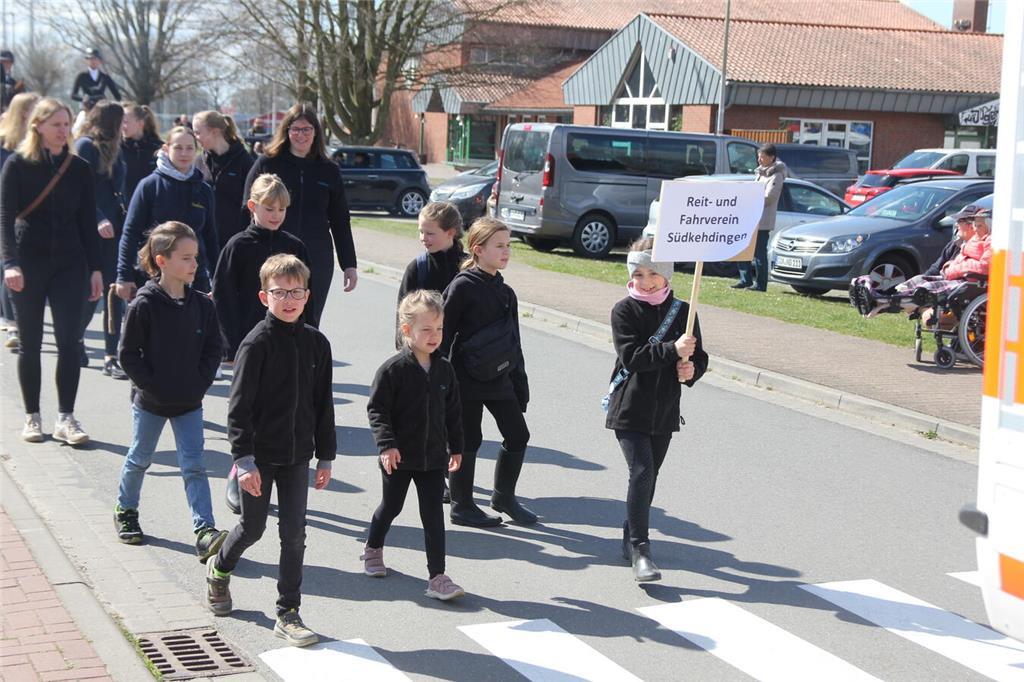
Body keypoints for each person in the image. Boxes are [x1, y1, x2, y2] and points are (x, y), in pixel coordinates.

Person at [205, 254, 334, 648]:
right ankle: (219, 569)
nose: (289, 300)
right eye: (280, 292)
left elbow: (323, 404)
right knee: (252, 528)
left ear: (307, 295)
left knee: (294, 535)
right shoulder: (256, 344)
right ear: (265, 297)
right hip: (259, 458)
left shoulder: (317, 344)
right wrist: (243, 460)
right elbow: (238, 408)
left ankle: (288, 611)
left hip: (297, 456)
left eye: (296, 292)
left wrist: (325, 456)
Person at [114, 221, 228, 561]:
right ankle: (125, 510)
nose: (195, 264)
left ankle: (204, 531)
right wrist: (152, 386)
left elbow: (214, 349)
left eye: (196, 257)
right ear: (162, 261)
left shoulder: (203, 305)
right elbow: (128, 355)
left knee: (194, 466)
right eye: (186, 258)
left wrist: (199, 382)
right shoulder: (144, 304)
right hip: (151, 402)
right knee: (139, 458)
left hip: (189, 402)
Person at [0, 97, 103, 445]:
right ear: (38, 126)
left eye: (66, 124)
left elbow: (87, 222)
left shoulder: (79, 168)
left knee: (69, 343)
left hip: (70, 265)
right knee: (29, 344)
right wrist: (9, 263)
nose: (63, 130)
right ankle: (32, 417)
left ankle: (66, 418)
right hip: (28, 262)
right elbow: (4, 219)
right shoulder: (17, 165)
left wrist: (96, 269)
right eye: (56, 124)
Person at [606, 238, 707, 581]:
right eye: (638, 274)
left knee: (650, 477)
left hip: (664, 409)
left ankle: (630, 531)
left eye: (653, 273)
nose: (646, 281)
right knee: (642, 471)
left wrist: (691, 370)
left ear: (667, 274)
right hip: (630, 407)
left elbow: (699, 356)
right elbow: (632, 357)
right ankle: (641, 549)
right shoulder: (623, 310)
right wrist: (672, 350)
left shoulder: (684, 311)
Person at [213, 174, 312, 515]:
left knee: (279, 407)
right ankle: (239, 468)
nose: (275, 215)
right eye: (269, 208)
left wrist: (308, 337)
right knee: (247, 408)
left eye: (282, 209)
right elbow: (223, 297)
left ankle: (275, 474)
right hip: (249, 343)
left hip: (288, 342)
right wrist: (229, 346)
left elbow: (307, 297)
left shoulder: (295, 247)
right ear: (253, 207)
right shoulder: (237, 246)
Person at [363, 289, 466, 601]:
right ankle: (373, 547)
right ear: (407, 330)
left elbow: (453, 412)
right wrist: (386, 445)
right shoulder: (393, 370)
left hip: (433, 457)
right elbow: (377, 410)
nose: (435, 336)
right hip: (398, 457)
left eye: (439, 329)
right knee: (391, 506)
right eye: (427, 329)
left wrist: (456, 447)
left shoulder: (445, 369)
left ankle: (437, 577)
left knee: (433, 515)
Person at [439, 217, 533, 527]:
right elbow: (442, 335)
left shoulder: (506, 292)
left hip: (499, 378)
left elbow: (513, 341)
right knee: (467, 440)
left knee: (518, 434)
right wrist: (438, 380)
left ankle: (504, 497)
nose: (506, 252)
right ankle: (461, 505)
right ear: (478, 250)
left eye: (508, 246)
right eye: (499, 246)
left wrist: (519, 382)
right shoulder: (462, 287)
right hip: (464, 379)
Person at [243, 103, 357, 326]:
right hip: (272, 253)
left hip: (316, 257)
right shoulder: (268, 163)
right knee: (272, 319)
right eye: (295, 129)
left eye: (307, 129)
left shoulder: (329, 170)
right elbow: (247, 209)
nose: (301, 135)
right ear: (286, 131)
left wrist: (349, 264)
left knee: (309, 321)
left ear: (316, 132)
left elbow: (340, 221)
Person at [115, 126, 218, 300]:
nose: (184, 153)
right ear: (166, 148)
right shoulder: (149, 185)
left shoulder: (204, 190)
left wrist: (217, 279)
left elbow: (211, 237)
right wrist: (123, 276)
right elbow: (130, 232)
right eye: (178, 147)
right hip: (154, 275)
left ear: (196, 151)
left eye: (189, 148)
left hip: (195, 276)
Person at [851, 207, 993, 319]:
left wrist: (953, 268)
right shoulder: (960, 244)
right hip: (952, 277)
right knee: (918, 280)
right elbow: (938, 267)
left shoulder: (989, 242)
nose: (956, 225)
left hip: (968, 282)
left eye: (960, 221)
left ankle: (883, 302)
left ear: (970, 225)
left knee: (925, 289)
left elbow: (983, 266)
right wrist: (945, 270)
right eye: (975, 225)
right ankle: (882, 295)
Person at [74, 100, 128, 378]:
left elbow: (119, 191)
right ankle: (75, 338)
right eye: (122, 120)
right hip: (90, 230)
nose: (125, 126)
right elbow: (78, 190)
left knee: (113, 292)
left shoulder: (118, 148)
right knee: (90, 292)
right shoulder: (85, 146)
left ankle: (111, 354)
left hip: (115, 230)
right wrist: (97, 218)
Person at [0, 91, 40, 351]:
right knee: (8, 263)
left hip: (29, 215)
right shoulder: (4, 144)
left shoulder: (38, 143)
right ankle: (13, 322)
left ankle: (18, 319)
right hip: (5, 210)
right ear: (23, 112)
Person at [395, 201, 465, 348]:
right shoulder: (417, 268)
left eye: (430, 233)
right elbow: (403, 315)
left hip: (463, 352)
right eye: (421, 231)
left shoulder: (469, 266)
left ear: (450, 233)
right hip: (426, 351)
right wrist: (404, 352)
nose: (423, 238)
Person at [194, 111, 254, 249]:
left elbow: (252, 202)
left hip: (235, 241)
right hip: (205, 240)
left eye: (198, 132)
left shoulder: (244, 161)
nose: (195, 137)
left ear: (214, 132)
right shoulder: (198, 161)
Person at [734, 143, 787, 291]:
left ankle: (760, 284)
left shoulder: (776, 176)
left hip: (763, 221)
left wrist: (750, 198)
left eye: (762, 157)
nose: (759, 160)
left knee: (759, 253)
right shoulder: (760, 173)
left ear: (772, 157)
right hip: (750, 218)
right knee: (742, 249)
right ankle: (745, 280)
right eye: (758, 156)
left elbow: (769, 198)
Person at [121, 103, 162, 204]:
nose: (122, 126)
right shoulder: (117, 148)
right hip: (124, 207)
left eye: (125, 122)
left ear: (140, 123)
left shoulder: (157, 148)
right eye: (120, 122)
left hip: (151, 205)